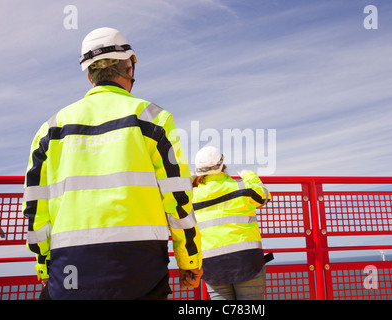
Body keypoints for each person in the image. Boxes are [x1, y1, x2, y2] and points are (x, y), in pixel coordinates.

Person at [22, 27, 202, 300]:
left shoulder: (49, 129)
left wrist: (45, 266)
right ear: (129, 68)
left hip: (68, 270)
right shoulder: (154, 119)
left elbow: (36, 210)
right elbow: (178, 200)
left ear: (89, 75)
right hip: (139, 269)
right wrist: (189, 260)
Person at [192, 146, 272, 300]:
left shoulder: (191, 196)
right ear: (222, 164)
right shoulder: (242, 188)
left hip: (212, 264)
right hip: (247, 260)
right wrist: (249, 176)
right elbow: (264, 196)